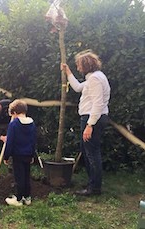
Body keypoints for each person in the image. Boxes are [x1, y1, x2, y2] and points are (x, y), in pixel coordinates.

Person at [61, 50, 110, 196]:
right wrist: (68, 72)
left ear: (86, 65)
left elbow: (98, 103)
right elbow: (77, 87)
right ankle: (92, 183)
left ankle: (94, 189)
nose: (78, 68)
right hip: (91, 118)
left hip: (92, 118)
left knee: (92, 153)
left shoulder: (95, 79)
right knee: (88, 151)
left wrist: (90, 125)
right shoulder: (94, 78)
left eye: (78, 65)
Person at [3, 99, 36, 206]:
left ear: (15, 113)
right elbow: (33, 140)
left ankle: (18, 199)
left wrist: (6, 156)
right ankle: (27, 197)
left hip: (17, 155)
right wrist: (32, 155)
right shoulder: (32, 123)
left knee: (19, 177)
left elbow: (10, 142)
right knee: (26, 176)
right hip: (28, 154)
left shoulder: (14, 124)